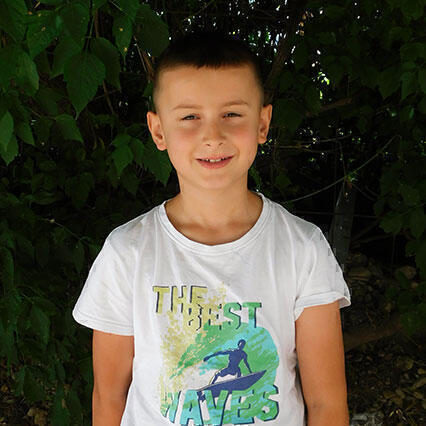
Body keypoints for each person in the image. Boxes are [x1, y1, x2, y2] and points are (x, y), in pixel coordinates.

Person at [72, 31, 351, 426]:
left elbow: (327, 405)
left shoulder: (302, 249)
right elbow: (109, 397)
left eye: (232, 115)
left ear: (262, 123)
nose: (212, 136)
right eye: (190, 117)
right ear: (158, 131)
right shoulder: (127, 252)